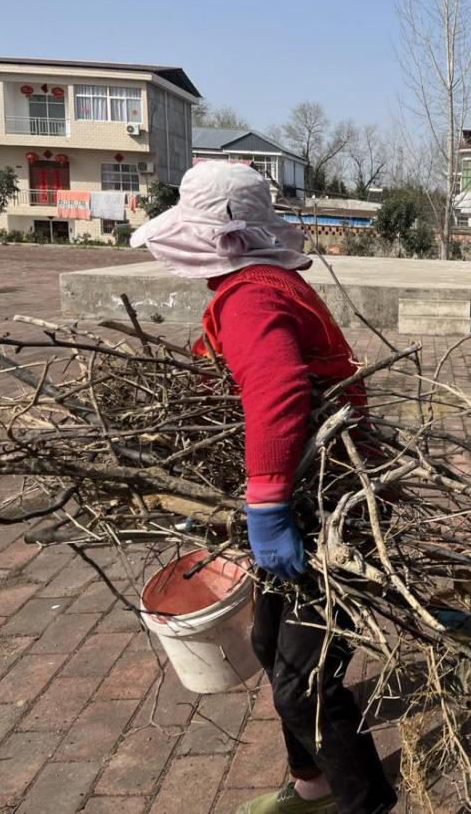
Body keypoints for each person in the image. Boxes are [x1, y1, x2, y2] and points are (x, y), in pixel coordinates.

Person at [131, 161, 396, 814]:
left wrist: (267, 505)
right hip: (311, 495)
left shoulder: (251, 295)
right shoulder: (255, 285)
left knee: (304, 683)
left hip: (331, 508)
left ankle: (365, 803)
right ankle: (312, 783)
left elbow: (276, 392)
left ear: (222, 239)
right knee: (269, 647)